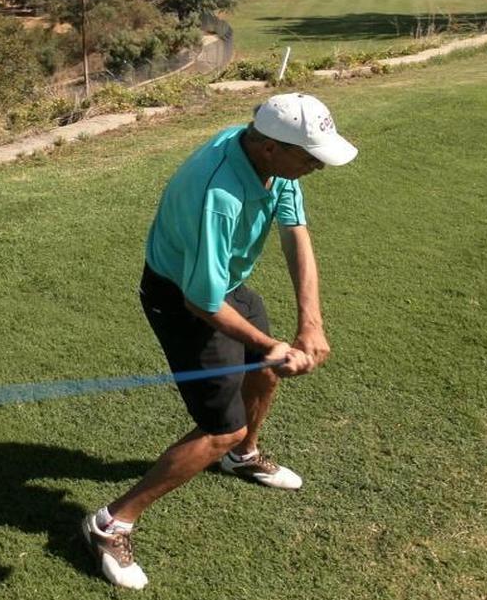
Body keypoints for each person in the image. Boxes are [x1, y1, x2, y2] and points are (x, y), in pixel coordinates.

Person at [82, 93, 358, 589]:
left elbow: (297, 234)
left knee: (263, 370)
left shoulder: (272, 162)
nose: (317, 165)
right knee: (220, 427)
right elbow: (201, 303)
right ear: (273, 147)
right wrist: (272, 343)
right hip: (182, 297)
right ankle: (111, 523)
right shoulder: (221, 195)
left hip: (224, 285)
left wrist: (310, 322)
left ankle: (243, 456)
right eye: (309, 155)